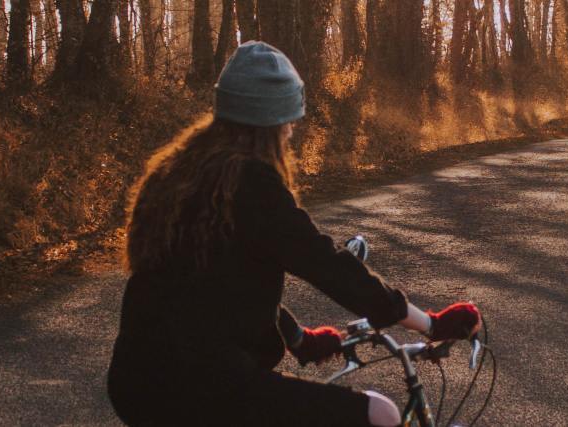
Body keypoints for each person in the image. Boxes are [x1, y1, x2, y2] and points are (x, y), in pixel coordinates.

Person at [106, 41, 482, 427]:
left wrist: (298, 338)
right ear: (270, 123)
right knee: (379, 413)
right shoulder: (251, 183)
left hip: (136, 382)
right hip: (200, 385)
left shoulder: (181, 172)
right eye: (288, 121)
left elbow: (220, 283)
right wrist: (430, 324)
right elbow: (326, 264)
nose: (291, 132)